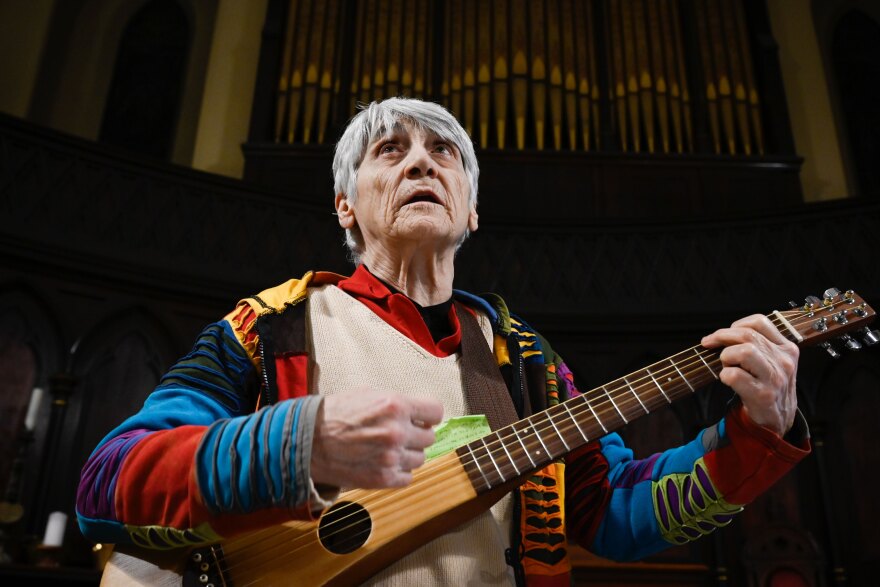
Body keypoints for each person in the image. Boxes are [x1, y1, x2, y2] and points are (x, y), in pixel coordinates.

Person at [76, 97, 809, 586]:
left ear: (473, 209)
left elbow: (613, 509)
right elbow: (107, 480)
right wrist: (292, 445)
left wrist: (757, 431)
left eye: (444, 153)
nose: (422, 162)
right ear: (345, 205)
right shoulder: (268, 327)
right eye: (390, 150)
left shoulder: (528, 362)